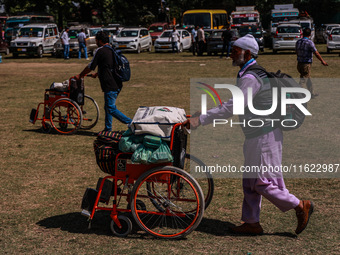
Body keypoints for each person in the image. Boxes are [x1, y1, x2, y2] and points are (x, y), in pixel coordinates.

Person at [184, 34, 314, 235]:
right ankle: (252, 222)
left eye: (235, 51)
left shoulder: (251, 77)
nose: (230, 55)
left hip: (264, 135)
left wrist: (201, 120)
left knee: (262, 182)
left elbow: (234, 105)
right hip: (260, 134)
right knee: (251, 180)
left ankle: (300, 205)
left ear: (247, 53)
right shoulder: (251, 73)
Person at [76, 31, 131, 131]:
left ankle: (131, 123)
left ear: (100, 41)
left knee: (110, 108)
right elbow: (107, 65)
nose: (96, 42)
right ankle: (107, 129)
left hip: (110, 84)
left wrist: (81, 75)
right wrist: (97, 74)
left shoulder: (100, 51)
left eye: (96, 40)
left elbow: (91, 66)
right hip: (117, 83)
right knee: (108, 107)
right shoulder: (111, 49)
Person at [296, 28, 328, 98]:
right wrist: (322, 61)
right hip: (306, 64)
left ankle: (311, 93)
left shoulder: (298, 42)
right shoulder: (309, 42)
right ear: (310, 34)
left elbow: (296, 51)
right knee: (303, 79)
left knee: (308, 78)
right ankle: (297, 95)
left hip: (299, 63)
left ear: (302, 33)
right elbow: (316, 53)